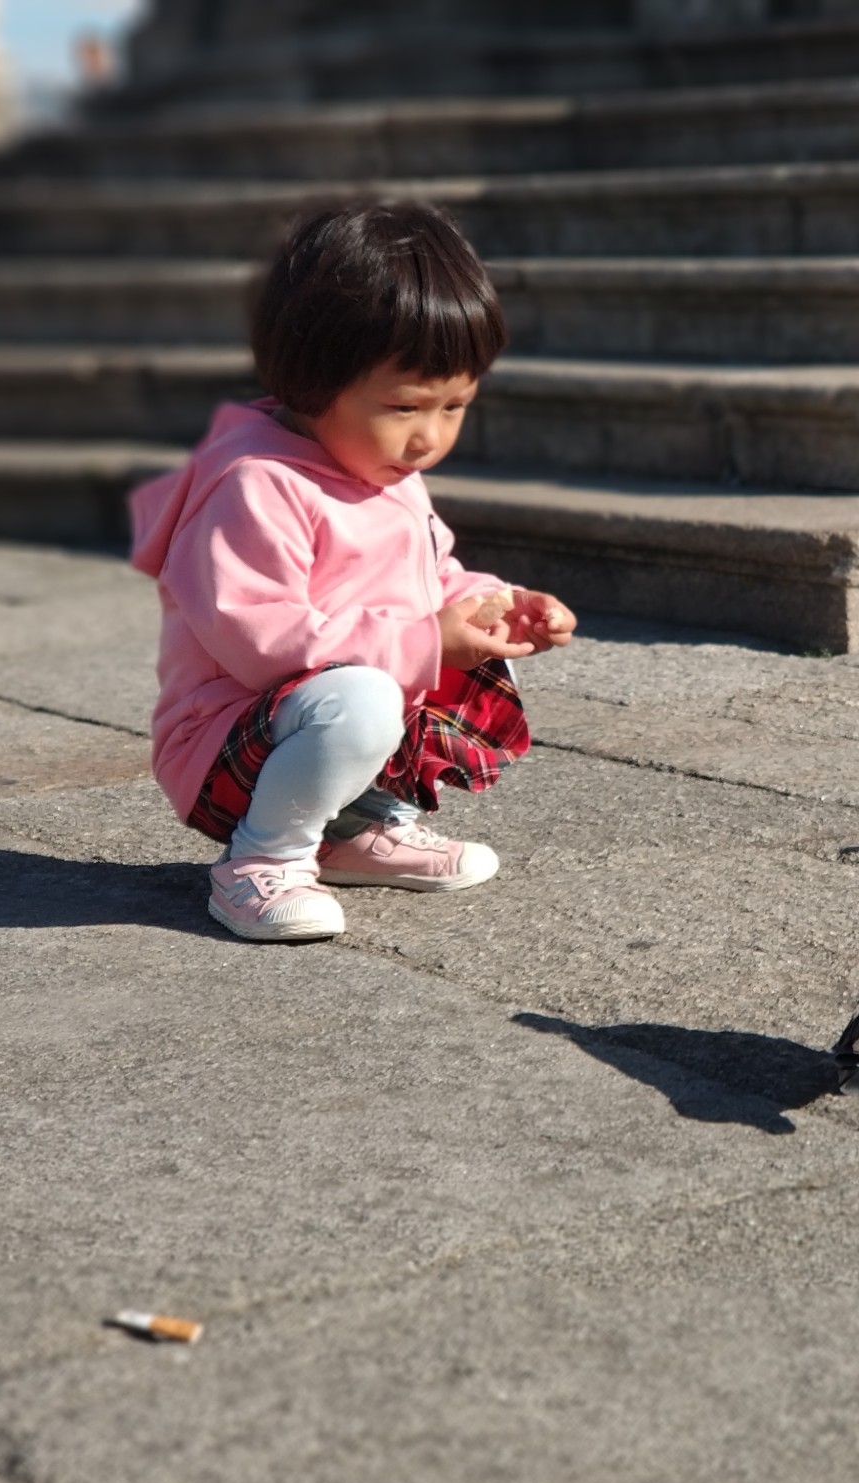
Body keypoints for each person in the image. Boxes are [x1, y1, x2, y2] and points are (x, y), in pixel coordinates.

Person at [128, 200, 576, 942]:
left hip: (319, 720)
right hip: (229, 747)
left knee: (465, 655)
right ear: (313, 379)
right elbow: (260, 641)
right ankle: (260, 861)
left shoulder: (388, 469)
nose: (428, 436)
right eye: (404, 405)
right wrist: (425, 637)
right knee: (366, 692)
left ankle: (356, 827)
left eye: (455, 405)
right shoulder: (255, 482)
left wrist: (496, 603)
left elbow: (431, 581)